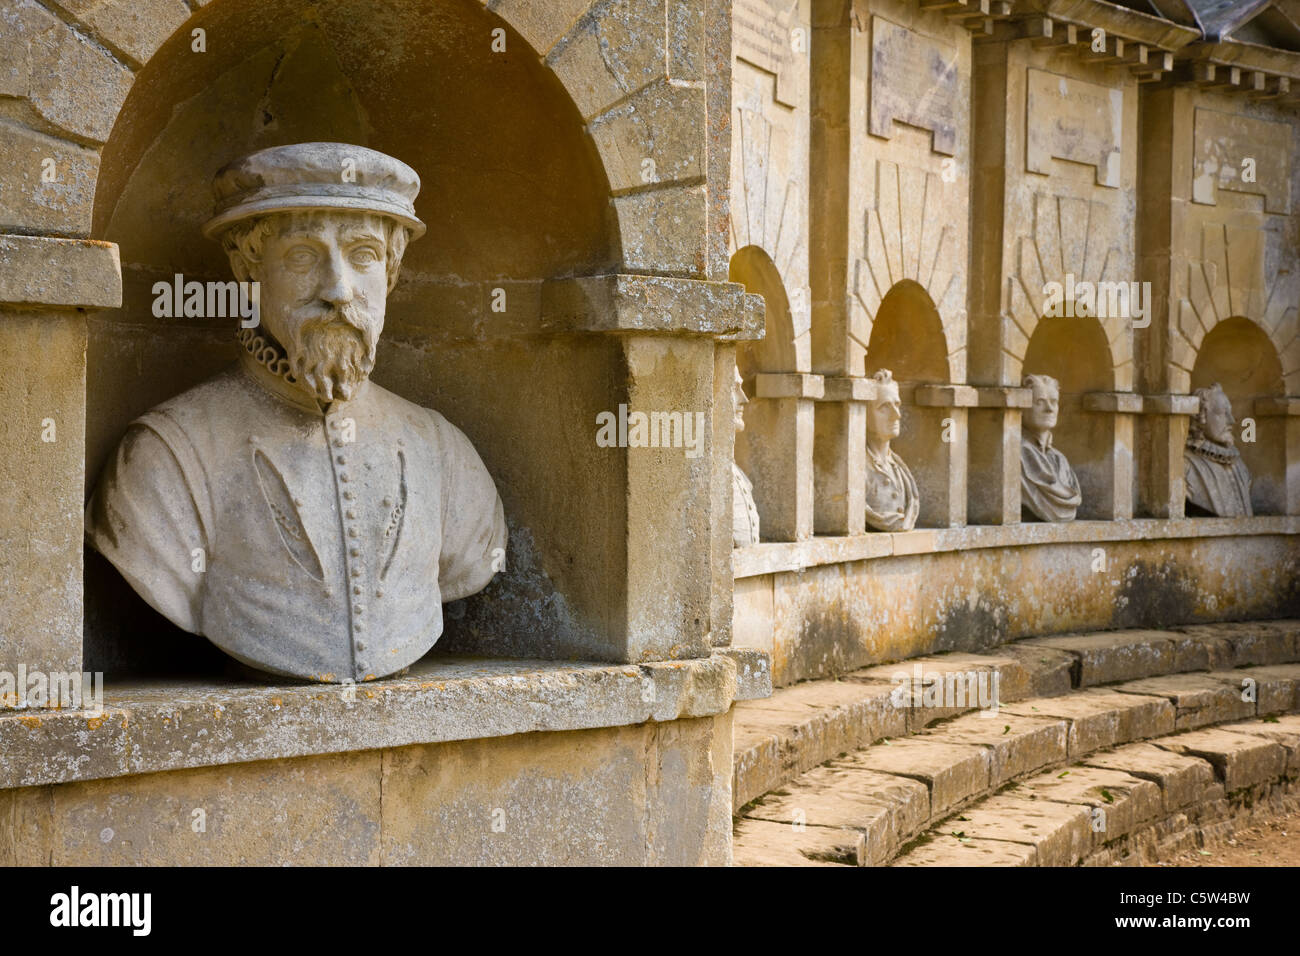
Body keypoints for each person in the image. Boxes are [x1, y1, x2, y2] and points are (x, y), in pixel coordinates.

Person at [86, 143, 507, 683]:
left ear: (392, 273)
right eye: (304, 257)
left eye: (362, 256)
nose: (338, 289)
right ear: (247, 270)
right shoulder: (164, 459)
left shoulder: (446, 453)